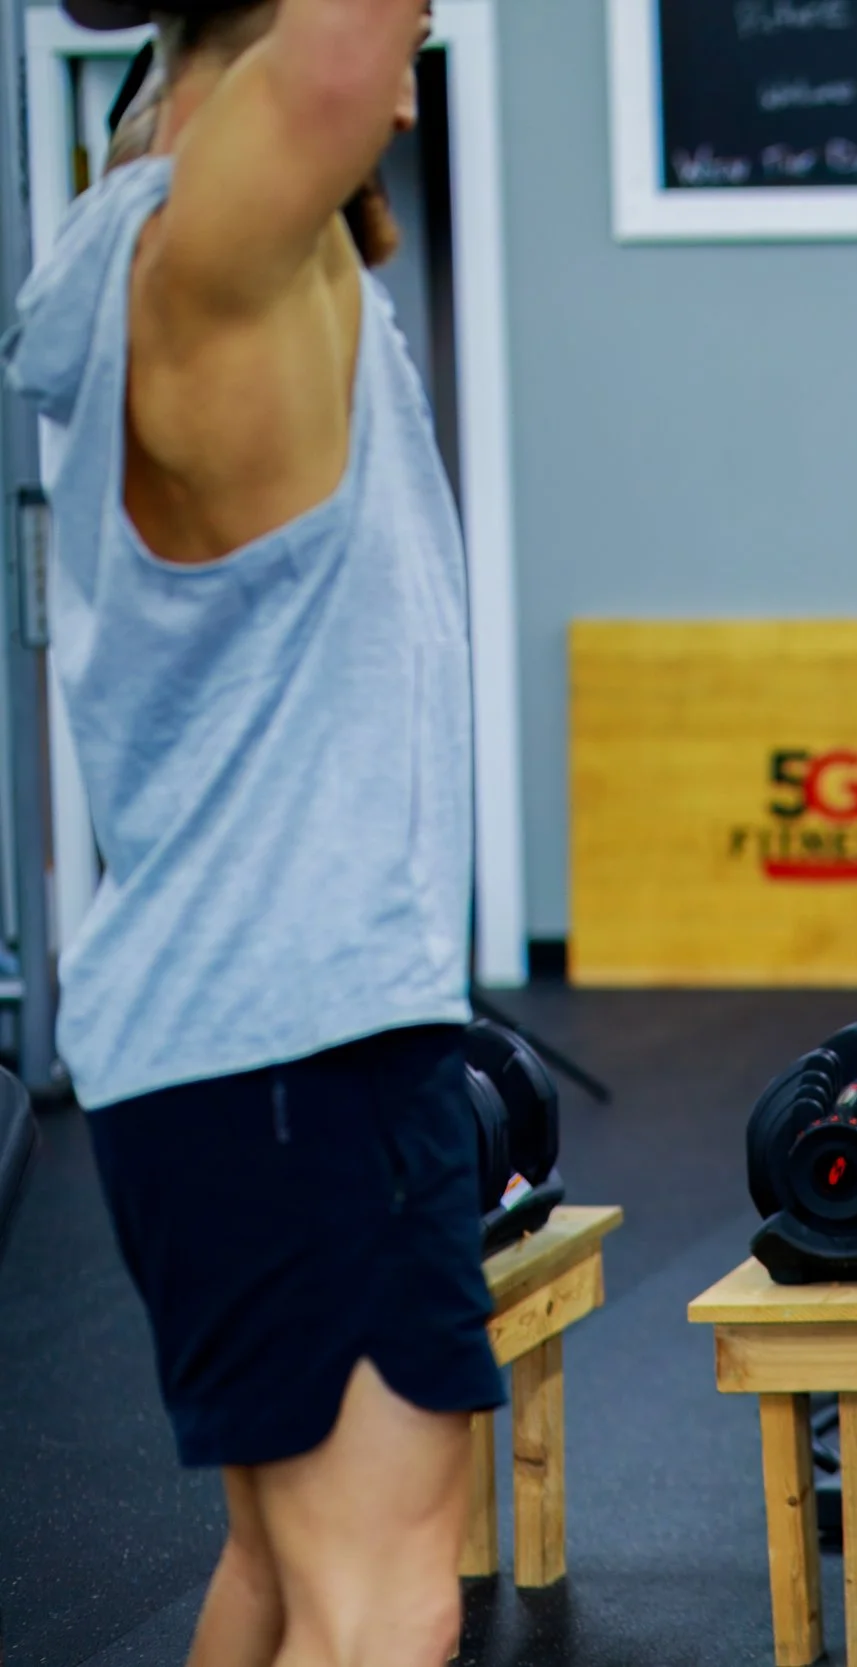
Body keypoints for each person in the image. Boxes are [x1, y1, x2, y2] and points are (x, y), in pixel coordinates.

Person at [5, 2, 491, 1663]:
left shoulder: (166, 258)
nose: (403, 101)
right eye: (409, 44)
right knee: (387, 1600)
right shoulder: (218, 272)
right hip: (301, 1045)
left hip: (232, 1045)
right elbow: (336, 58)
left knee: (282, 1585)